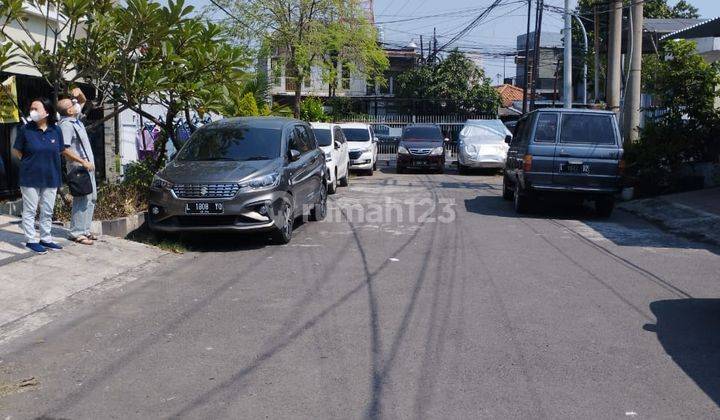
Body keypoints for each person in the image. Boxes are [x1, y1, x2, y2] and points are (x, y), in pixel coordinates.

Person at [11, 98, 65, 254]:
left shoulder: (56, 130)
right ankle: (31, 240)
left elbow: (60, 150)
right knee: (30, 210)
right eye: (31, 108)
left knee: (47, 210)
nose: (32, 111)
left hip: (51, 176)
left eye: (36, 108)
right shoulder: (25, 130)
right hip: (30, 177)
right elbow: (17, 151)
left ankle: (46, 238)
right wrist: (30, 162)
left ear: (46, 112)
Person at [58, 97, 97, 245]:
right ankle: (76, 233)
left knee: (91, 198)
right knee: (82, 199)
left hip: (88, 166)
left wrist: (74, 93)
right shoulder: (66, 125)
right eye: (72, 104)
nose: (76, 104)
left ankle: (85, 230)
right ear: (69, 110)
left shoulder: (76, 120)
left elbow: (82, 98)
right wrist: (82, 162)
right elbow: (64, 149)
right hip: (79, 167)